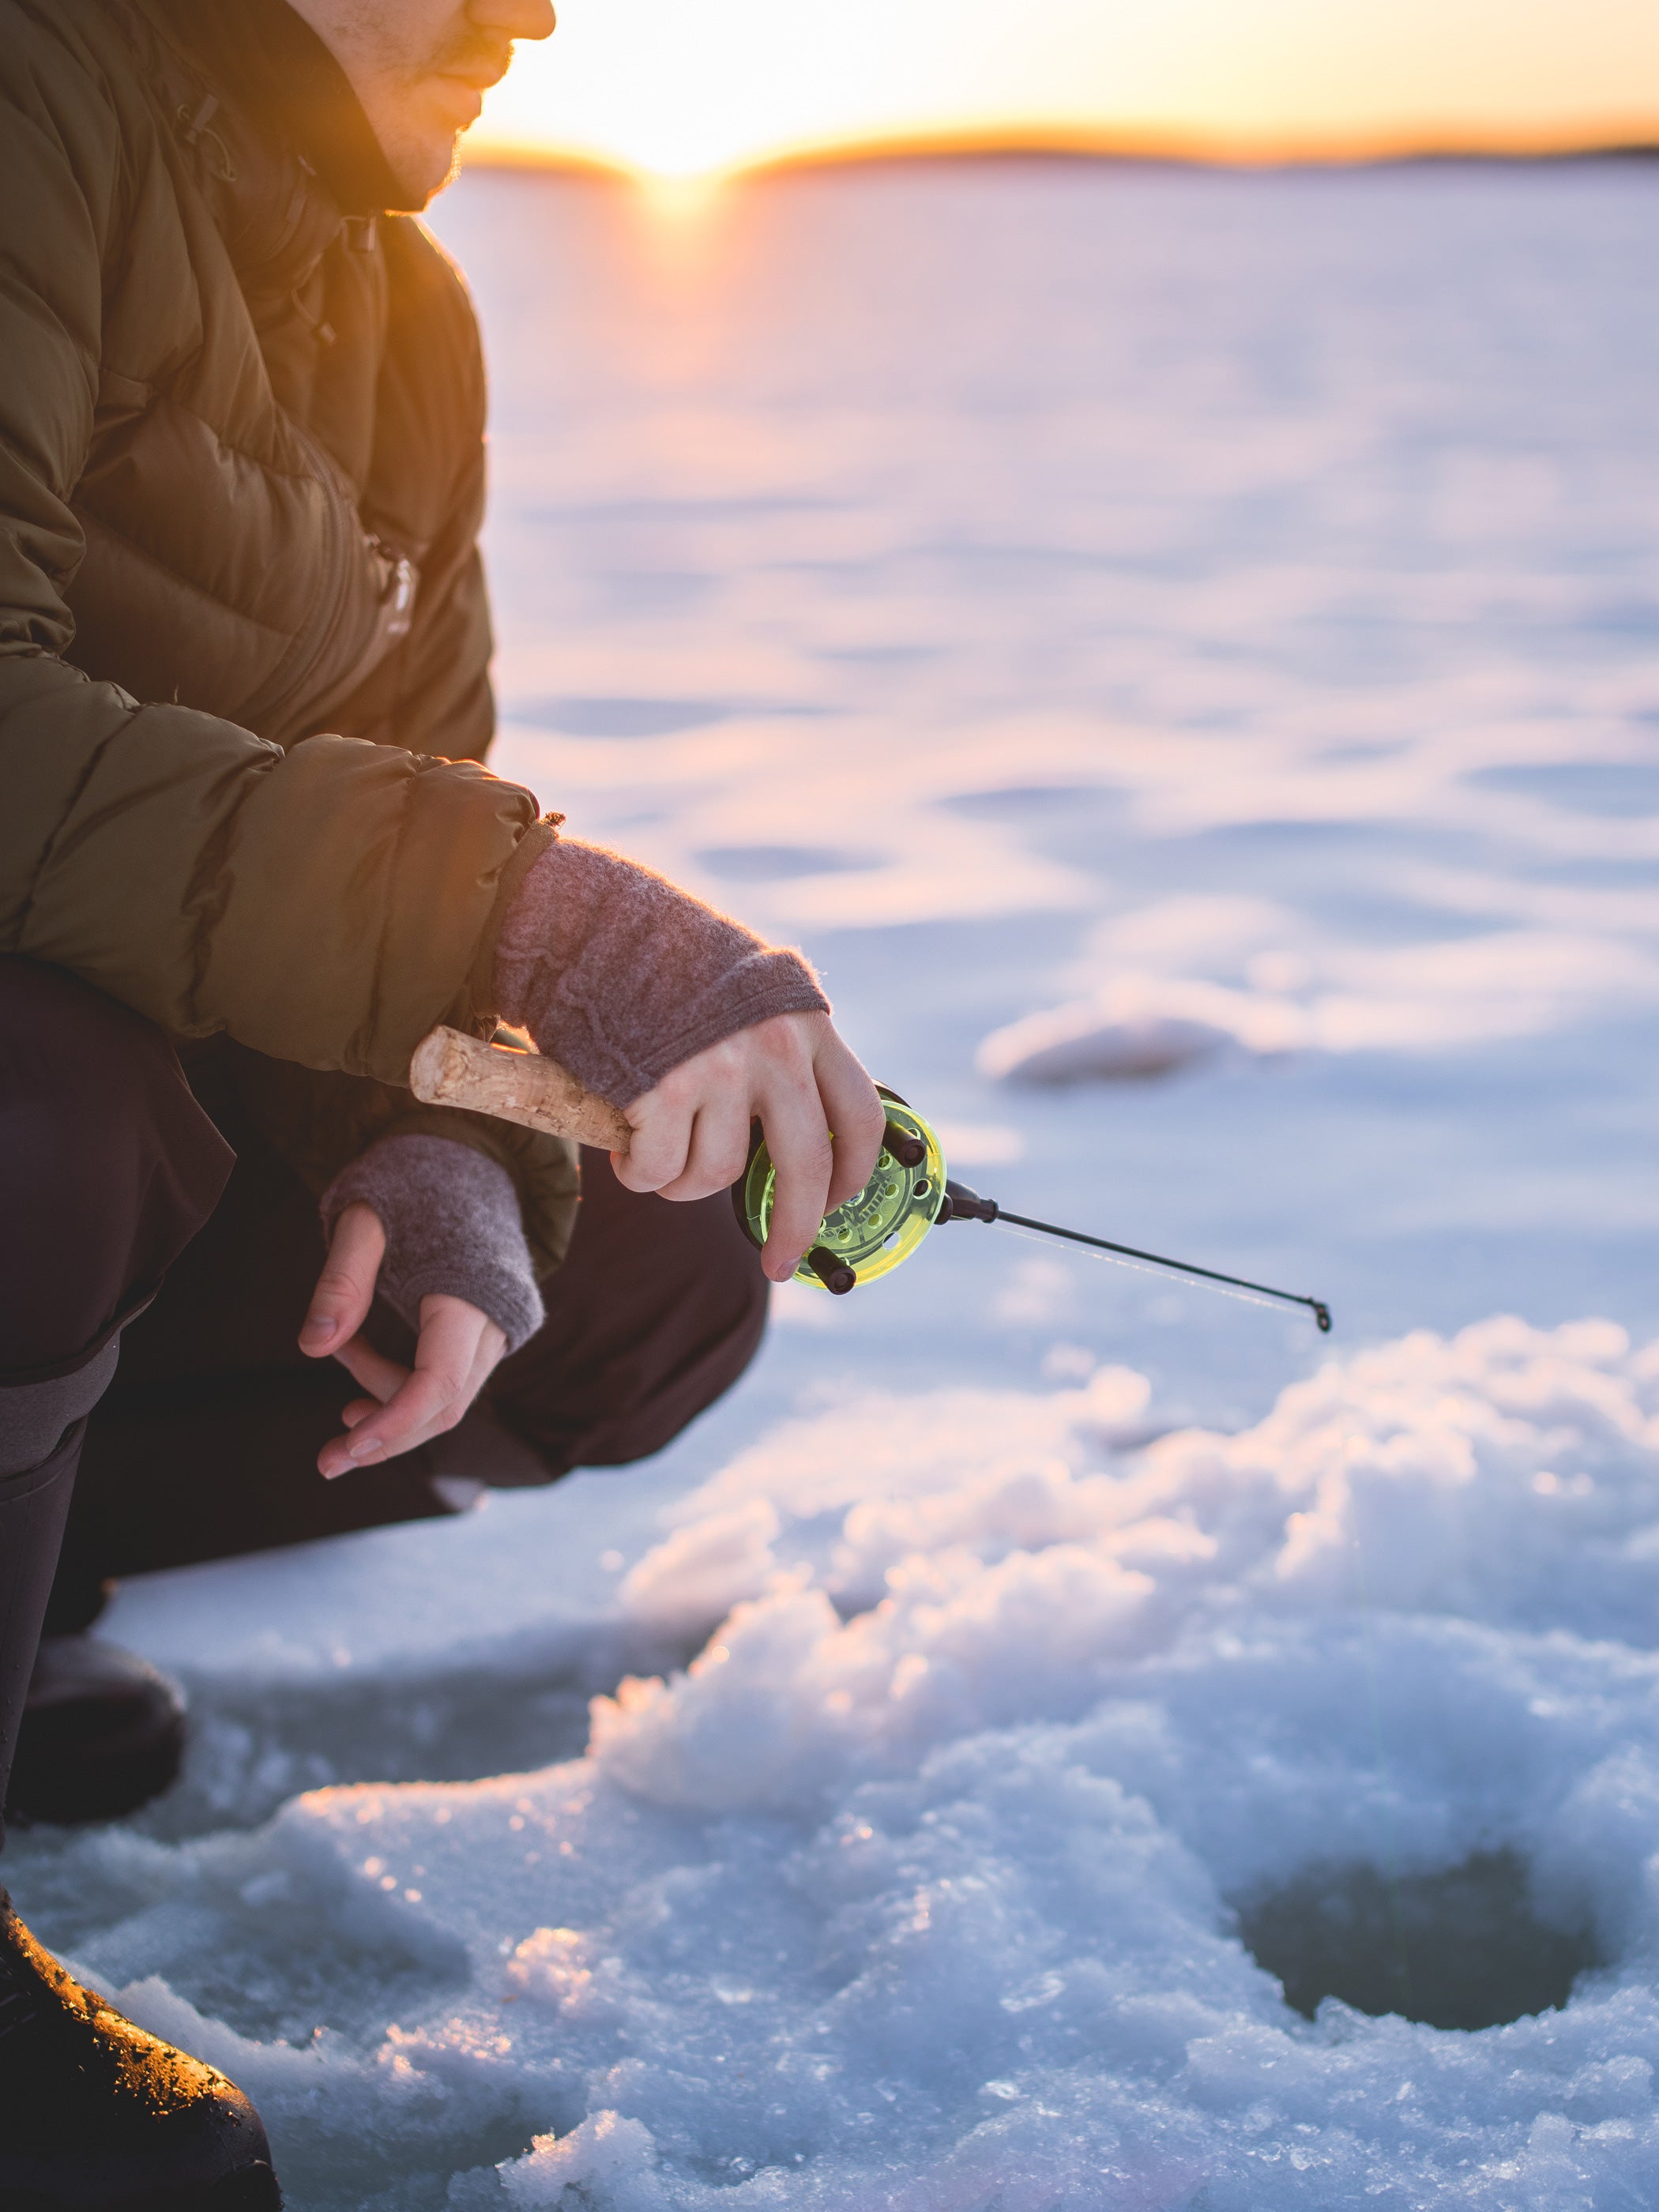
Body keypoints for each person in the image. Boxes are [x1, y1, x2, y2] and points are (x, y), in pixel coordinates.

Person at [0, 0, 886, 2199]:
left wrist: (447, 1138)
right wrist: (536, 932)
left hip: (124, 1136)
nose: (528, 13)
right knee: (46, 1102)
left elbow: (413, 793)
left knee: (648, 1254)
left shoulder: (405, 315)